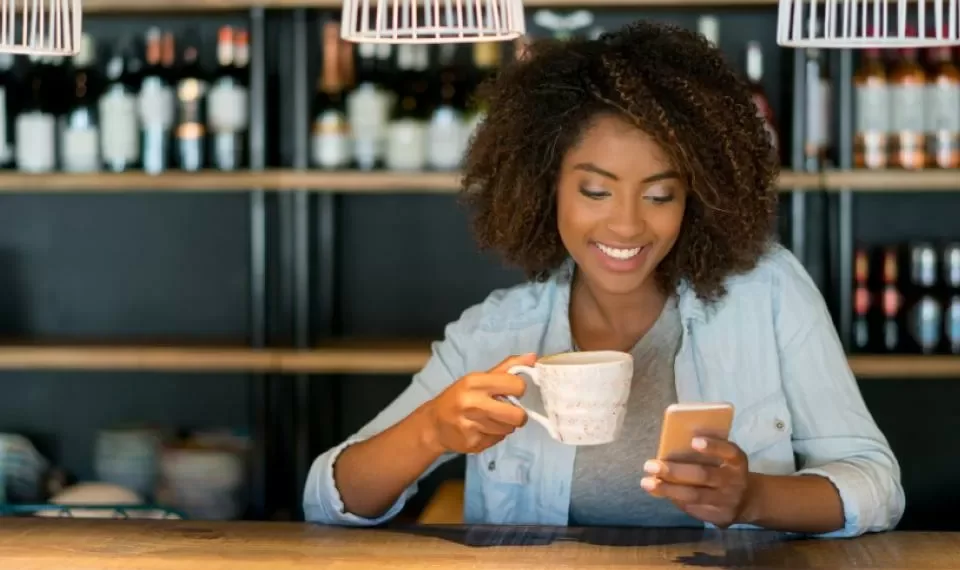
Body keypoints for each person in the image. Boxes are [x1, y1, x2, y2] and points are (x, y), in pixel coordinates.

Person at [303, 21, 904, 536]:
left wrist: (754, 498)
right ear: (546, 187)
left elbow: (877, 483)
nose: (627, 224)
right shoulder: (494, 333)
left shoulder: (765, 293)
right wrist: (430, 431)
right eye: (595, 191)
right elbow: (327, 500)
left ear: (696, 197)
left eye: (660, 195)